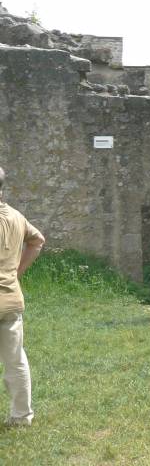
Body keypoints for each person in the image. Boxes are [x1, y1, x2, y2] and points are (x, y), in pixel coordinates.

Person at [0, 166, 45, 426]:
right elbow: (37, 240)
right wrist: (17, 273)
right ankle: (21, 416)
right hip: (11, 300)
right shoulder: (16, 216)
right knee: (15, 360)